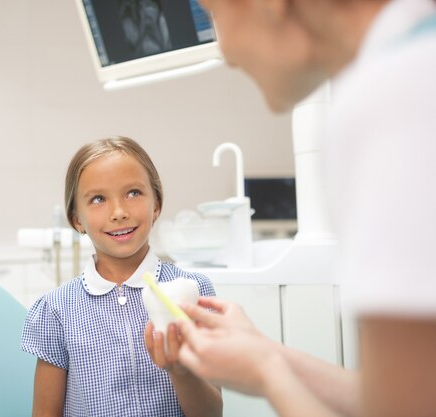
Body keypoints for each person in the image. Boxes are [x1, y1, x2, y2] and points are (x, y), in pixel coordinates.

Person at [176, 0, 436, 416]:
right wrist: (266, 353)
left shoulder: (395, 95)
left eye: (212, 14)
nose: (223, 52)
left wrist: (266, 372)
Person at [21, 136, 222, 417]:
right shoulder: (56, 310)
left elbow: (211, 414)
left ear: (156, 204)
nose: (119, 212)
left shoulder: (193, 292)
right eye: (98, 199)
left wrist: (181, 370)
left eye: (133, 193)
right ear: (77, 218)